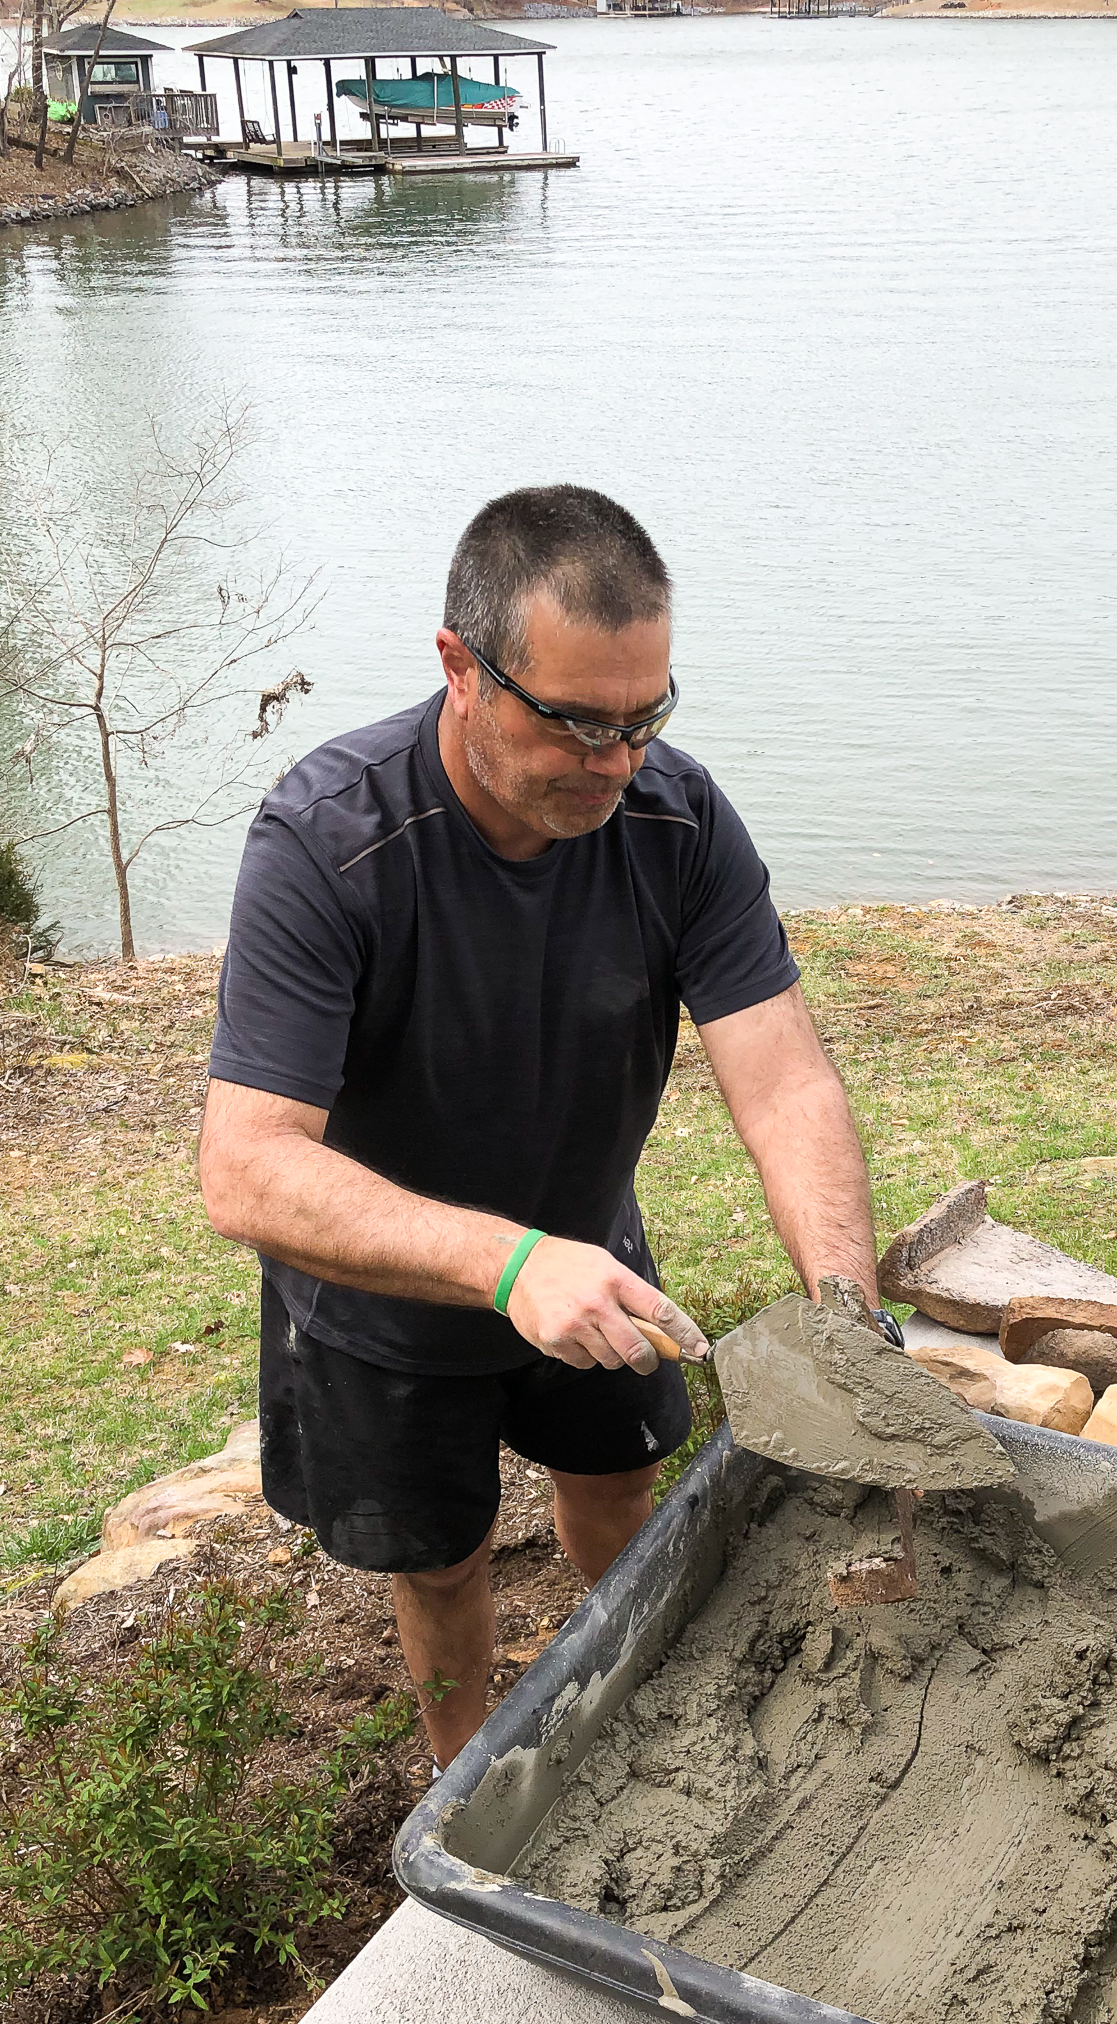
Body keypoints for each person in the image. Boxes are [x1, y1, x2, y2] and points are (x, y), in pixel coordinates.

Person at [199, 485, 883, 1766]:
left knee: (620, 1491)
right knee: (445, 1562)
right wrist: (507, 1263)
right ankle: (467, 1770)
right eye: (575, 723)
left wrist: (845, 1312)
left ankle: (643, 1693)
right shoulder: (327, 841)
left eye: (644, 717)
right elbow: (245, 1169)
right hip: (384, 1304)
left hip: (592, 1261)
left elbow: (783, 1078)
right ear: (461, 667)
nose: (616, 764)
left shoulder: (673, 821)